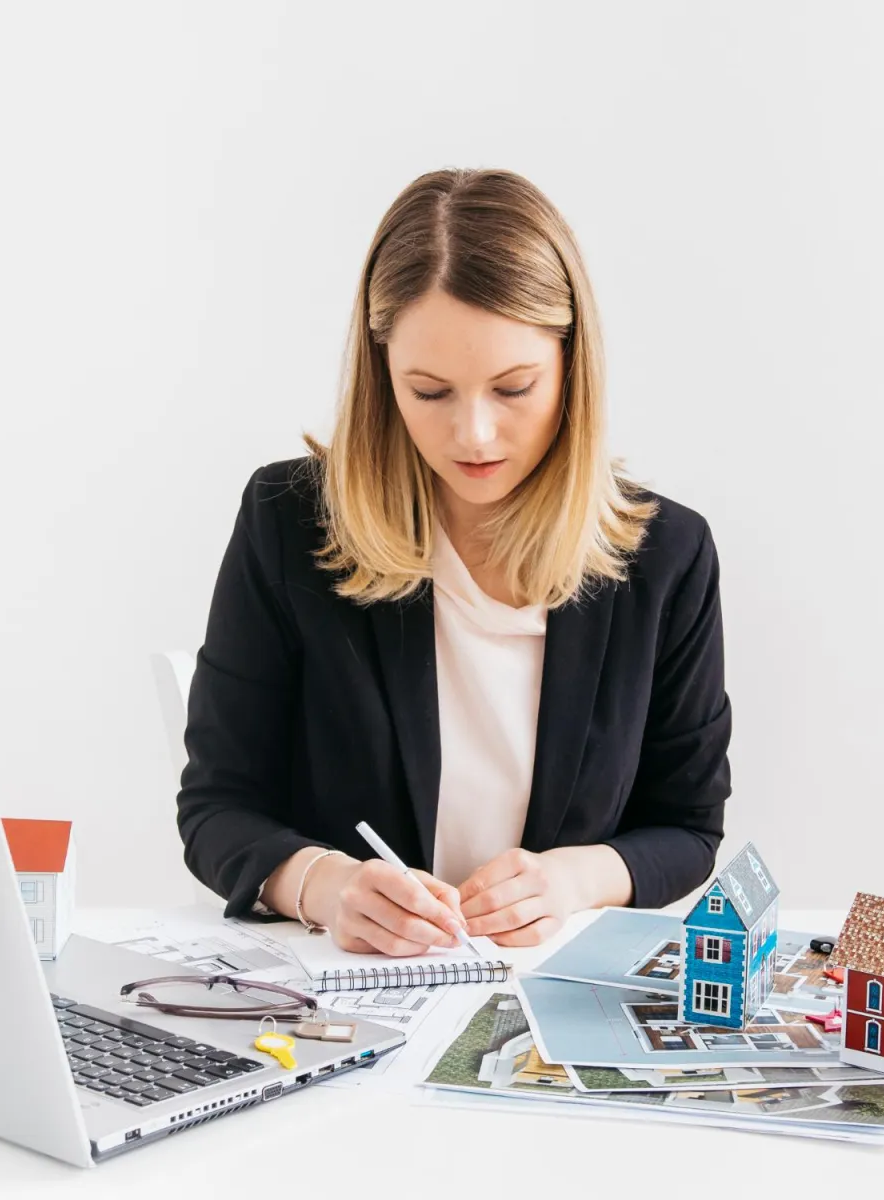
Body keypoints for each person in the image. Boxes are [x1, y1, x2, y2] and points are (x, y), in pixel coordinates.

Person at [176, 167, 731, 955]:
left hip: (540, 988)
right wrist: (325, 886)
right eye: (430, 392)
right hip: (342, 990)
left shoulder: (667, 556)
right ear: (383, 376)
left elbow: (688, 828)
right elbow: (216, 807)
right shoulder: (289, 521)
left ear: (572, 367)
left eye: (514, 388)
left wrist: (571, 881)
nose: (473, 435)